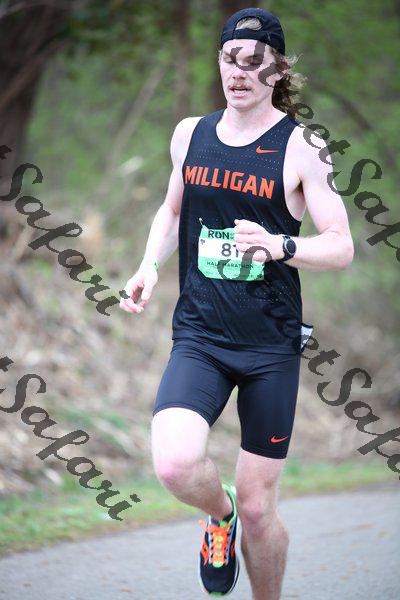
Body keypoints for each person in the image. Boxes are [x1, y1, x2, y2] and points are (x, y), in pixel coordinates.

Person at [120, 7, 354, 599]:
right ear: (220, 62)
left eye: (254, 62)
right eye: (230, 59)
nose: (239, 72)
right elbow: (173, 210)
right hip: (200, 336)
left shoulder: (303, 147)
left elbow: (341, 246)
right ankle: (216, 513)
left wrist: (280, 245)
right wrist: (148, 265)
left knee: (259, 507)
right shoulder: (190, 134)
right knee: (175, 464)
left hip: (270, 345)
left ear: (278, 71)